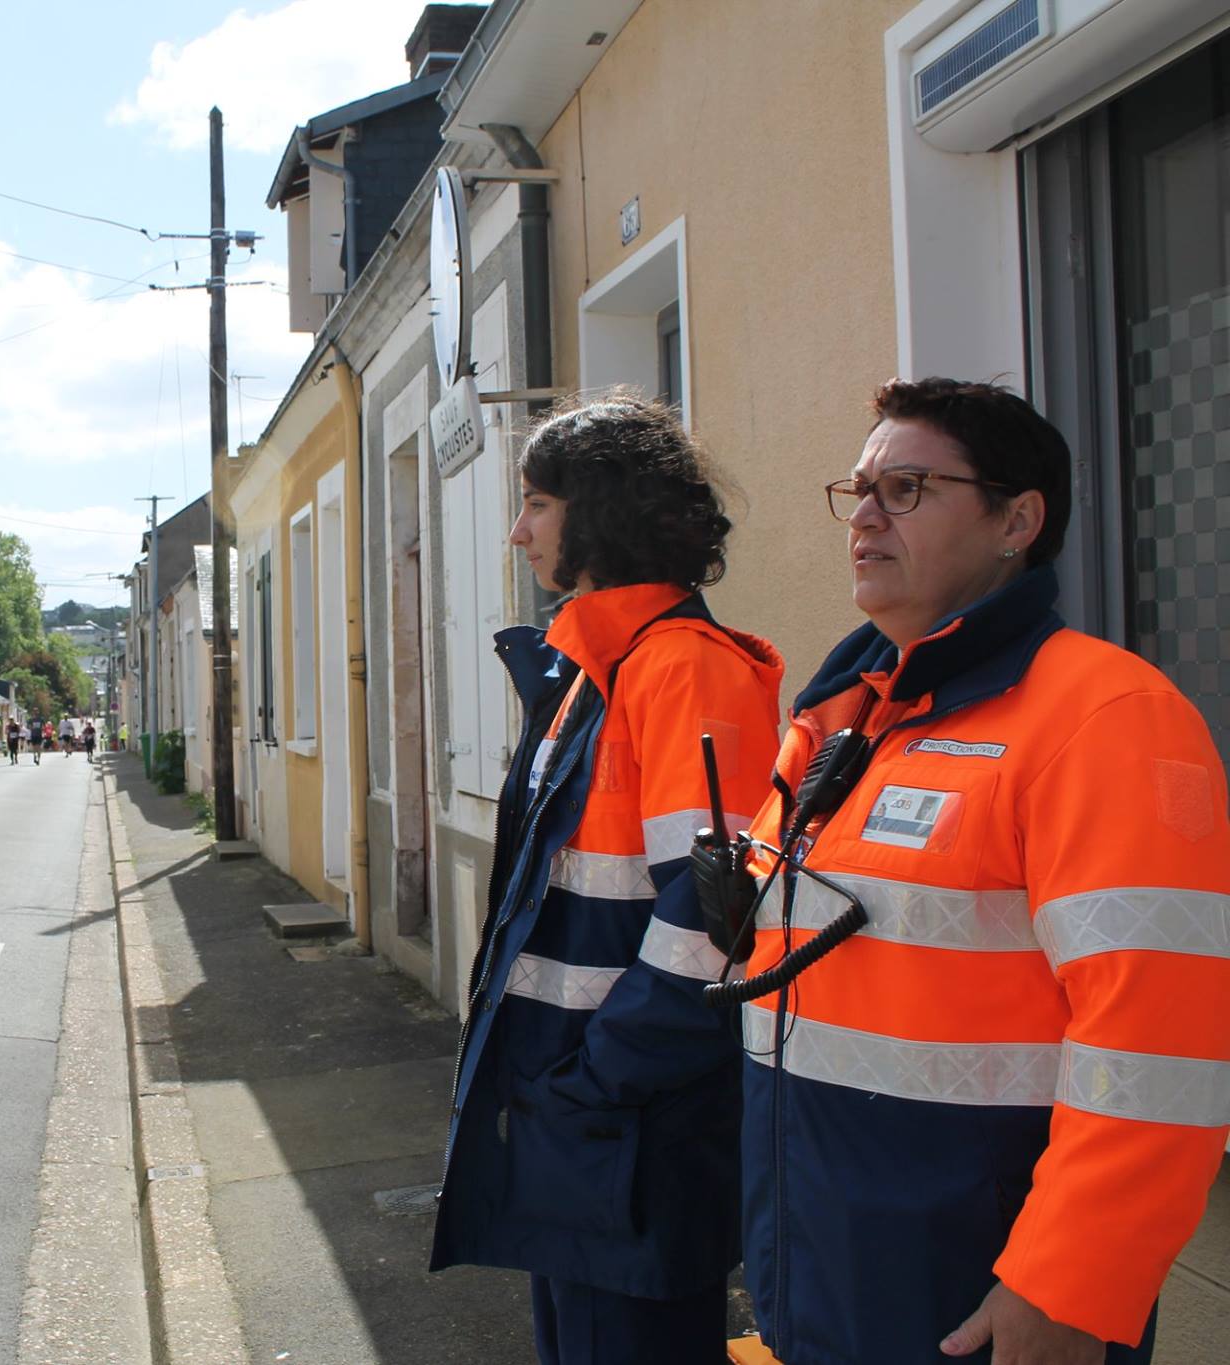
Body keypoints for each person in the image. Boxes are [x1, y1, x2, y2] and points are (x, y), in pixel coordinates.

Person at [733, 379, 1230, 1365]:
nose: (864, 517)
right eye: (859, 490)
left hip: (981, 1286)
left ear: (1016, 520)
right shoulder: (844, 719)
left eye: (907, 488)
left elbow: (1157, 1043)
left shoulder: (1103, 717)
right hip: (819, 1252)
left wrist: (1070, 1284)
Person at [430, 395, 783, 1365]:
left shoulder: (678, 671)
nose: (516, 530)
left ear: (601, 512)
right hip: (584, 1110)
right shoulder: (599, 668)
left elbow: (717, 919)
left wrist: (592, 1083)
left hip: (627, 1119)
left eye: (535, 504)